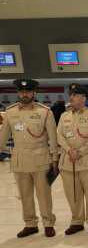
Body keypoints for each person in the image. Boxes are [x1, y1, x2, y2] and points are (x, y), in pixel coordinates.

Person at [0, 79, 58, 238]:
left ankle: (48, 223)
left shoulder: (45, 112)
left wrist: (55, 158)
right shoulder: (10, 112)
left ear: (34, 93)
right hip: (20, 160)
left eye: (28, 91)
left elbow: (53, 137)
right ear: (18, 93)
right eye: (21, 91)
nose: (24, 94)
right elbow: (3, 136)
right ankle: (30, 224)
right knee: (25, 195)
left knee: (44, 194)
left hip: (41, 158)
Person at [57, 84, 88, 236]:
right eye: (71, 94)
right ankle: (77, 221)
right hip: (69, 161)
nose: (71, 97)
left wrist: (80, 151)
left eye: (75, 95)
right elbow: (59, 135)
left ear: (83, 98)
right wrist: (69, 150)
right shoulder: (65, 116)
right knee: (73, 193)